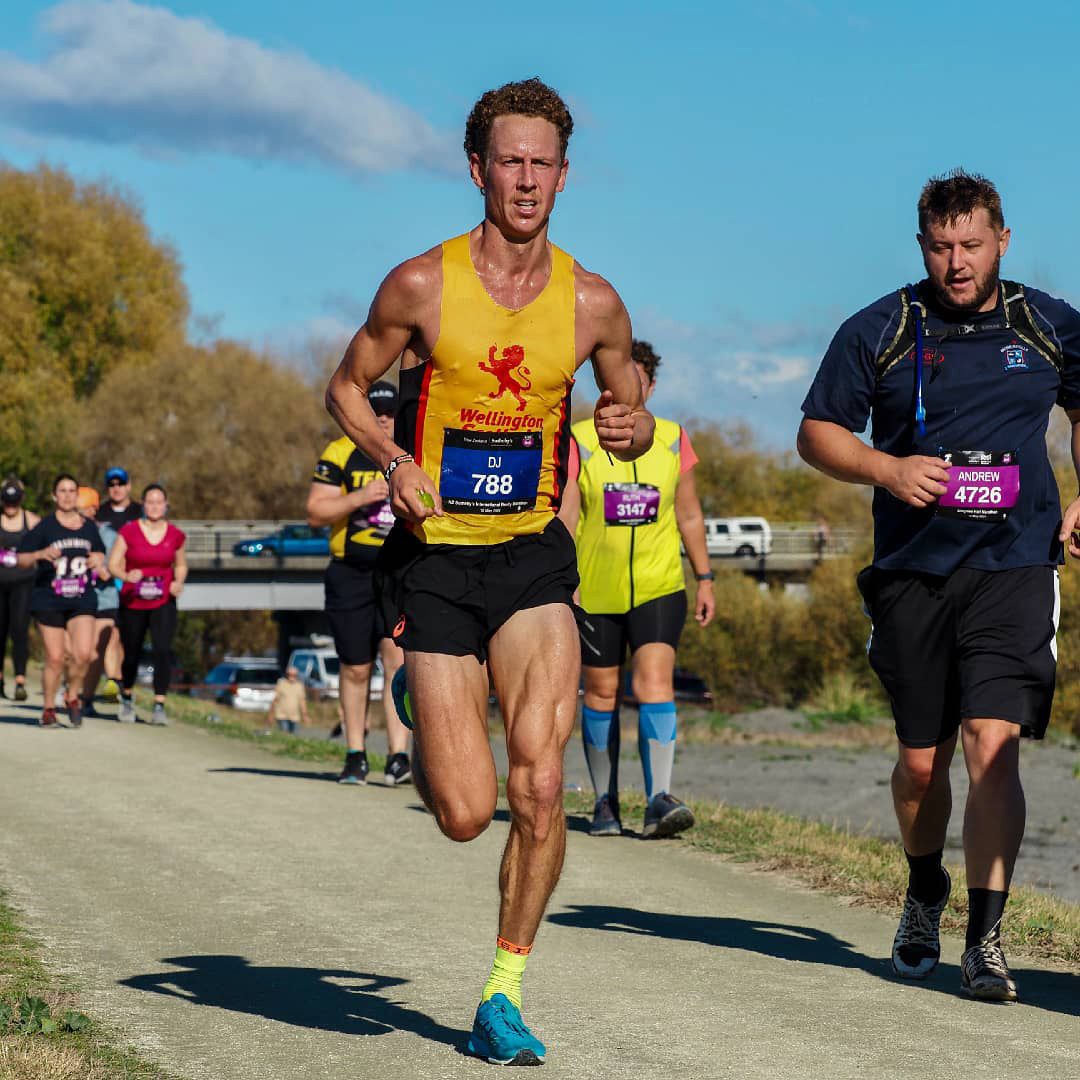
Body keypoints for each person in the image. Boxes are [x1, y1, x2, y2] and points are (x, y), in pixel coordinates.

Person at [325, 78, 653, 1066]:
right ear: (477, 170)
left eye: (540, 162)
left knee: (542, 781)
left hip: (530, 563)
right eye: (507, 161)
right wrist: (392, 461)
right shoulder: (420, 286)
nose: (524, 179)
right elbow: (346, 385)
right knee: (468, 813)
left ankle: (502, 991)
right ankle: (432, 705)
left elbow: (625, 395)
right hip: (433, 563)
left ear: (564, 175)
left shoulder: (592, 300)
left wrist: (625, 422)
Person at [797, 170, 1080, 1004]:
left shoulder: (1047, 324)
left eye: (971, 244)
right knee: (922, 767)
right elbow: (816, 433)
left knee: (994, 746)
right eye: (941, 246)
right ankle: (926, 892)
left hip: (1017, 566)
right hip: (913, 572)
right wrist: (885, 468)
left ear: (1002, 239)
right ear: (922, 245)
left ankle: (986, 938)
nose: (957, 262)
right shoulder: (882, 328)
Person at [559, 339, 714, 839]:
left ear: (650, 383)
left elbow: (688, 513)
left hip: (659, 584)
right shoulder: (579, 438)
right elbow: (567, 516)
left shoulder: (672, 438)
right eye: (618, 379)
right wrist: (564, 582)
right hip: (595, 590)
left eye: (638, 379)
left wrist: (705, 576)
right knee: (601, 693)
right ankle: (604, 802)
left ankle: (657, 800)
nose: (629, 387)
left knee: (654, 684)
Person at [306, 380, 410, 786]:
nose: (383, 421)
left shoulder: (412, 455)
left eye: (390, 414)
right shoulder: (340, 452)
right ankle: (355, 754)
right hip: (350, 571)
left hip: (399, 569)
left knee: (397, 661)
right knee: (355, 667)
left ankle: (399, 756)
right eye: (376, 413)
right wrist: (361, 496)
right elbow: (315, 511)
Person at [16, 474, 106, 727]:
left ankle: (72, 695)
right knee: (55, 658)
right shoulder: (44, 527)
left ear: (78, 495)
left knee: (85, 654)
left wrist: (98, 560)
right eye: (62, 491)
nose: (67, 496)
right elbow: (21, 559)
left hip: (81, 598)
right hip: (49, 598)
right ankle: (48, 709)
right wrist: (40, 553)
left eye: (71, 491)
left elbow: (99, 552)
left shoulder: (89, 527)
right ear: (55, 496)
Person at [108, 484, 187, 725]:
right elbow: (113, 564)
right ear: (142, 504)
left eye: (159, 501)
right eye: (150, 502)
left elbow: (181, 564)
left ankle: (159, 705)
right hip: (134, 600)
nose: (154, 506)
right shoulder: (129, 531)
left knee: (162, 650)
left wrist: (179, 581)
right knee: (131, 653)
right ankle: (128, 698)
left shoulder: (175, 534)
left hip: (163, 599)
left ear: (166, 505)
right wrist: (125, 575)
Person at [74, 486, 123, 718]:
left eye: (80, 510)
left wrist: (104, 567)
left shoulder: (110, 536)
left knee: (95, 653)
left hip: (104, 599)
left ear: (93, 509)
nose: (76, 514)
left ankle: (87, 699)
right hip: (74, 597)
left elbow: (117, 568)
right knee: (74, 652)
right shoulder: (68, 531)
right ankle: (71, 687)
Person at [0, 477, 39, 702]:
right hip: (0, 584)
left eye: (14, 501)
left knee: (19, 632)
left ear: (22, 499)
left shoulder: (32, 522)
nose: (11, 506)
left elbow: (45, 549)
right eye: (7, 501)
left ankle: (20, 681)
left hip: (23, 584)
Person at [267, 665, 310, 733]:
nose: (291, 676)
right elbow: (275, 700)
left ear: (296, 675)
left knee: (293, 736)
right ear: (286, 674)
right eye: (289, 674)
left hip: (295, 716)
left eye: (294, 675)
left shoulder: (299, 685)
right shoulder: (281, 683)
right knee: (284, 734)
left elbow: (302, 701)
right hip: (281, 715)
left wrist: (305, 715)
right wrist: (271, 714)